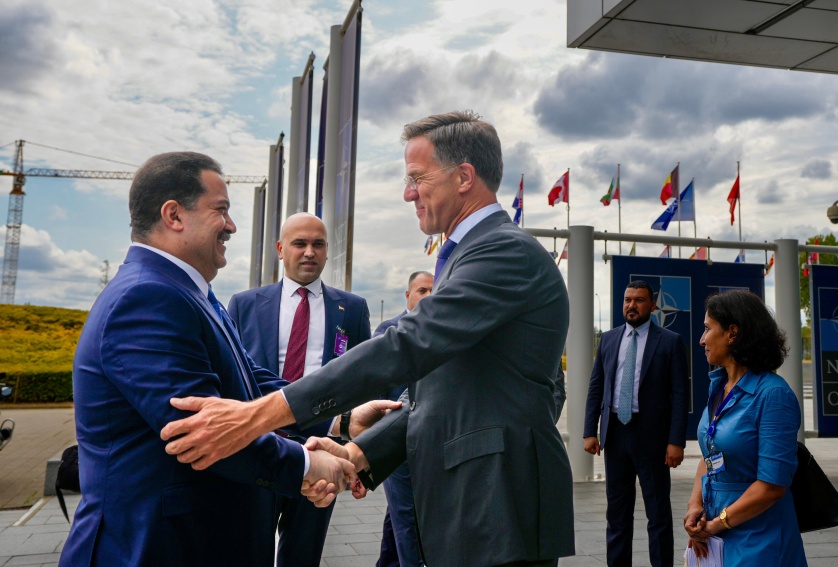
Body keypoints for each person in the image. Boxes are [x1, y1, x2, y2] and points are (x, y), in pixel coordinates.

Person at [161, 110, 575, 567]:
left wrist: (256, 415)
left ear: (463, 177)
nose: (408, 193)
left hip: (501, 505)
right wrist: (359, 452)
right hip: (480, 507)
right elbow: (441, 392)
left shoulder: (503, 250)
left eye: (417, 178)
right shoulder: (472, 254)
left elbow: (405, 345)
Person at [59, 152, 356, 567]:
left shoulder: (187, 291)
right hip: (155, 548)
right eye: (221, 210)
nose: (231, 226)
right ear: (174, 215)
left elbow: (250, 380)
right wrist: (307, 464)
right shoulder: (145, 297)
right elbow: (205, 432)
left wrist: (339, 421)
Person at [227, 212, 372, 567]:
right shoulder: (244, 305)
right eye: (299, 243)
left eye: (318, 244)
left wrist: (359, 454)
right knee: (248, 550)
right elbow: (234, 376)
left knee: (303, 554)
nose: (309, 252)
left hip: (322, 451)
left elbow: (364, 381)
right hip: (261, 447)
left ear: (327, 251)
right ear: (280, 249)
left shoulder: (352, 309)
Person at [684, 290, 806, 565]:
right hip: (716, 532)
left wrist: (717, 524)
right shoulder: (719, 387)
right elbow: (710, 455)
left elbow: (772, 486)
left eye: (707, 329)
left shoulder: (773, 395)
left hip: (759, 538)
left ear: (733, 333)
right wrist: (695, 506)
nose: (702, 339)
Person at [583, 280, 689, 567]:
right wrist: (590, 431)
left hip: (652, 438)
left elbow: (680, 395)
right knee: (617, 514)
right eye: (627, 300)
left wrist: (676, 441)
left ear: (652, 306)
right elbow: (596, 387)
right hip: (616, 435)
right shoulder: (608, 340)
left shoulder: (669, 341)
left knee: (658, 514)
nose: (631, 305)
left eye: (639, 300)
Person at [373, 271, 433, 567]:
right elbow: (374, 380)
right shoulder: (389, 330)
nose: (429, 296)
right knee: (407, 516)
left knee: (400, 512)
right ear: (408, 295)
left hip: (431, 438)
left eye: (434, 290)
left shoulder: (440, 332)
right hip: (398, 439)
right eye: (422, 290)